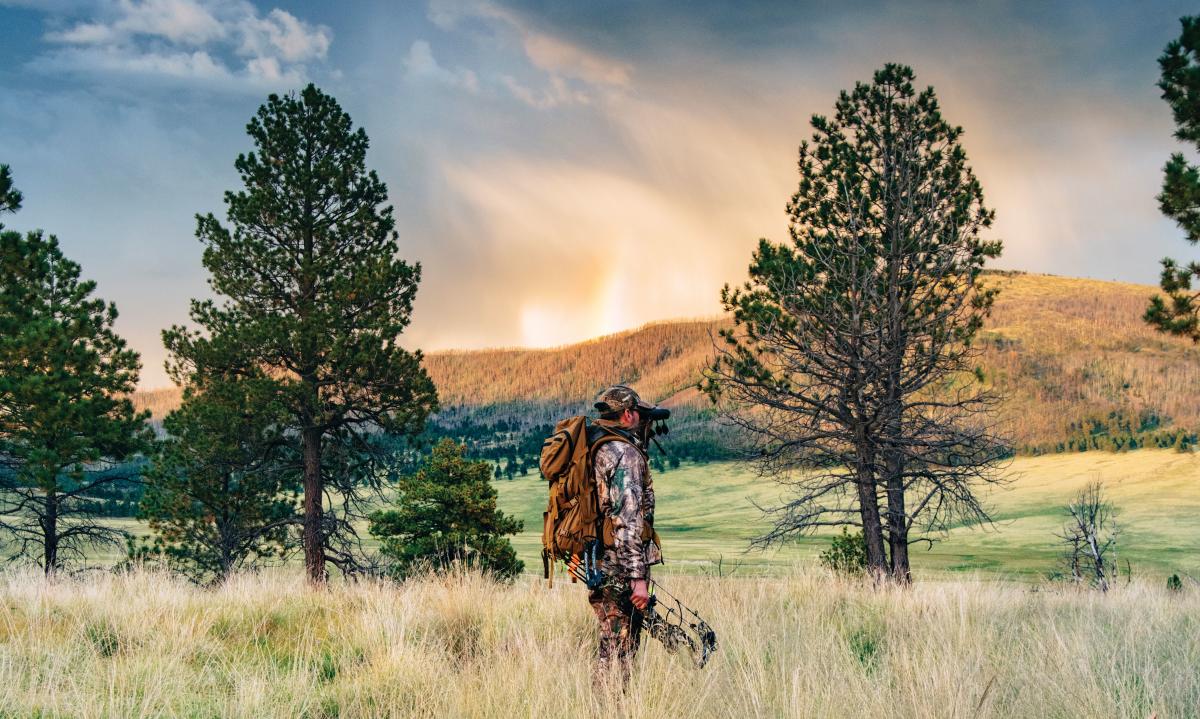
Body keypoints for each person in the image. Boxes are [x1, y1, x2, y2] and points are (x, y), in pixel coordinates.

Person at [589, 384, 666, 686]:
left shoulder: (600, 445)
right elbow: (629, 519)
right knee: (621, 649)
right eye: (639, 414)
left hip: (601, 561)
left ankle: (605, 706)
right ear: (628, 414)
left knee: (612, 643)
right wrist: (637, 578)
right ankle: (613, 708)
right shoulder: (624, 453)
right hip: (619, 566)